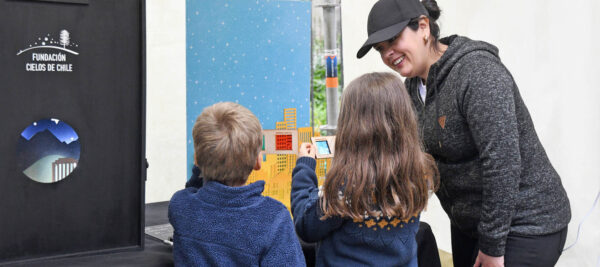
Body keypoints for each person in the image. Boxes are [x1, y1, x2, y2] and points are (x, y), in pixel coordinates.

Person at [357, 0, 571, 266]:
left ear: (423, 27)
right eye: (381, 49)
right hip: (471, 224)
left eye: (393, 40)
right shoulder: (411, 90)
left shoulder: (477, 72)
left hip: (528, 223)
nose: (389, 53)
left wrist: (492, 247)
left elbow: (502, 164)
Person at [291, 72, 439, 266]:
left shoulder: (346, 186)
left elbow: (306, 226)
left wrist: (305, 167)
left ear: (350, 127)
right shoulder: (420, 174)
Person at [168, 102, 306, 267]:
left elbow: (194, 188)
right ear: (257, 161)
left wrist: (202, 165)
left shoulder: (181, 206)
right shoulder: (274, 218)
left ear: (196, 159)